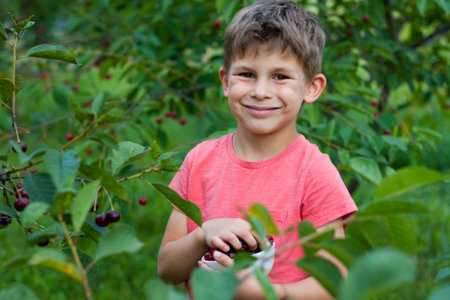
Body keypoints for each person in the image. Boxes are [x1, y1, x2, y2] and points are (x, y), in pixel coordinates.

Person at [158, 0, 358, 298]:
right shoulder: (199, 160)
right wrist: (202, 235)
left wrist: (263, 292)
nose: (260, 91)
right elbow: (167, 270)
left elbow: (333, 282)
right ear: (225, 81)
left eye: (280, 76)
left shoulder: (314, 172)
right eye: (247, 74)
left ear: (311, 87)